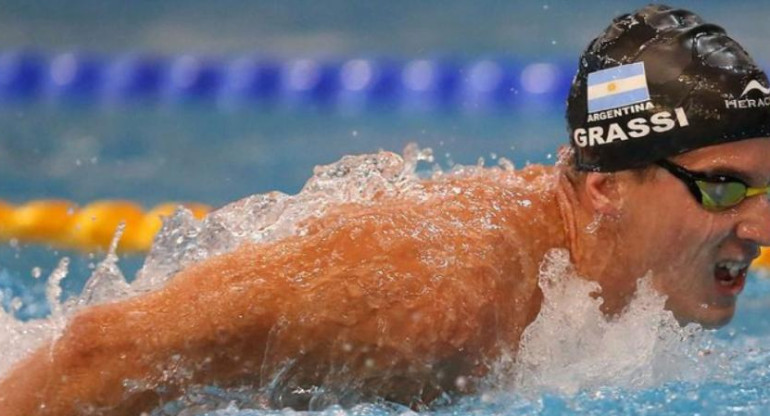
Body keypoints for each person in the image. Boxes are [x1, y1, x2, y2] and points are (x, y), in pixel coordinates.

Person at [3, 4, 770, 415]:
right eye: (725, 188)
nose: (761, 227)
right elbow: (102, 351)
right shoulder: (438, 297)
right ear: (606, 187)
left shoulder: (608, 275)